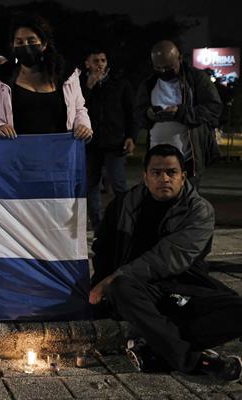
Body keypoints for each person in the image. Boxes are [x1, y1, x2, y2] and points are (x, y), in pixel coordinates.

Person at [90, 144, 242, 380]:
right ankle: (194, 361)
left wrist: (113, 277)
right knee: (121, 287)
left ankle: (155, 351)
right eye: (156, 172)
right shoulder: (123, 205)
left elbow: (167, 257)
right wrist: (102, 283)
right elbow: (103, 248)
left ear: (183, 176)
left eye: (171, 172)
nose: (164, 178)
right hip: (138, 291)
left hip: (184, 288)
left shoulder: (199, 211)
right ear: (145, 177)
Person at [0, 15, 92, 141]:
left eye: (31, 41)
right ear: (13, 45)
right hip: (17, 155)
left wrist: (83, 126)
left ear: (44, 45)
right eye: (19, 42)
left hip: (60, 152)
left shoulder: (66, 74)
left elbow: (79, 109)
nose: (25, 46)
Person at [134, 40, 222, 187]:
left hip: (187, 159)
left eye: (168, 68)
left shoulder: (197, 79)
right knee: (157, 205)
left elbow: (214, 108)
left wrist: (181, 113)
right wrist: (150, 114)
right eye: (158, 68)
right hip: (156, 158)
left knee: (187, 205)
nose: (163, 72)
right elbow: (138, 114)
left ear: (179, 59)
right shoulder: (149, 83)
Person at [80, 49, 135, 231]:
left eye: (103, 60)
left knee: (118, 184)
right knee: (90, 185)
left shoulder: (120, 84)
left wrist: (131, 137)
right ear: (87, 63)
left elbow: (130, 112)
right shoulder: (79, 85)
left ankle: (123, 223)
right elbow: (74, 110)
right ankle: (98, 226)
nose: (100, 64)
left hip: (115, 142)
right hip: (90, 143)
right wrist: (88, 87)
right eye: (95, 60)